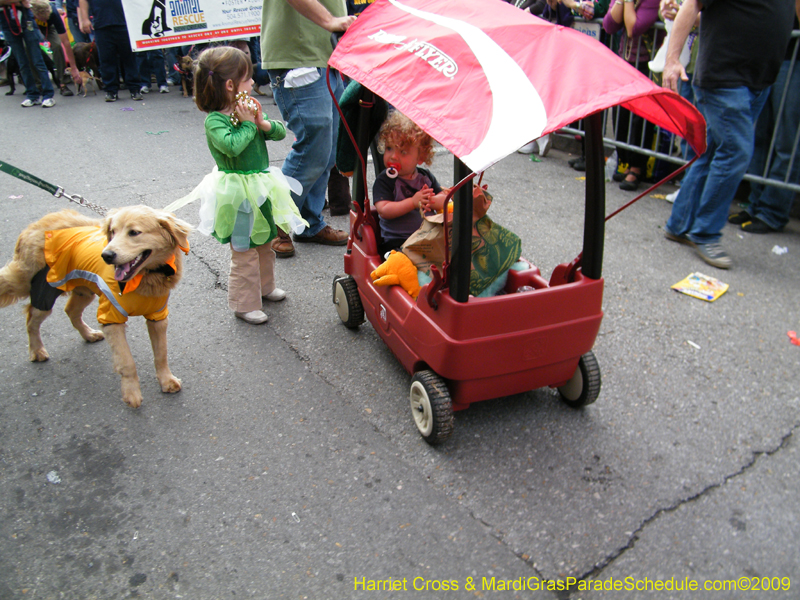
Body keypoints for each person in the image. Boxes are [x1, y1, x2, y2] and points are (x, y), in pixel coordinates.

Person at [662, 0, 798, 269]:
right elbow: (693, 5)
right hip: (724, 75)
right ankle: (705, 233)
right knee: (736, 151)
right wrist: (672, 60)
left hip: (758, 79)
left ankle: (678, 224)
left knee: (713, 151)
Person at [188, 46, 308, 325]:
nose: (253, 83)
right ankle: (244, 303)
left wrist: (262, 123)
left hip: (261, 186)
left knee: (265, 240)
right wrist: (246, 125)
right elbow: (232, 147)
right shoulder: (215, 120)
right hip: (237, 193)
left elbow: (277, 132)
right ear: (230, 85)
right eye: (247, 79)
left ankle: (265, 287)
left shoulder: (248, 108)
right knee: (243, 249)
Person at [260, 0, 355, 258]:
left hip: (326, 56)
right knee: (313, 148)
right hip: (298, 56)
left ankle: (308, 223)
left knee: (329, 150)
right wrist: (330, 21)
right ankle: (275, 224)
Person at [728, 16, 800, 234]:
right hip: (766, 55)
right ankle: (755, 202)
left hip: (793, 58)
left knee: (786, 138)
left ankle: (772, 210)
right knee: (758, 136)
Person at [372, 111, 449, 257]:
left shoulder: (425, 178)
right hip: (398, 242)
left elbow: (444, 199)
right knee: (400, 260)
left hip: (427, 238)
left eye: (403, 152)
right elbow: (384, 210)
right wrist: (413, 202)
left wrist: (429, 200)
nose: (393, 156)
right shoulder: (385, 180)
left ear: (421, 157)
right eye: (389, 148)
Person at [603, 0, 661, 191]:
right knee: (620, 115)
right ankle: (624, 161)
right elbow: (609, 25)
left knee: (640, 120)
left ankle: (637, 168)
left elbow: (633, 28)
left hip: (645, 66)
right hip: (625, 62)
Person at [78, 0, 143, 102]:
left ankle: (135, 89)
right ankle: (111, 90)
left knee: (129, 58)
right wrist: (85, 19)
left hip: (125, 22)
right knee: (106, 59)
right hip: (101, 23)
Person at [0, 0, 56, 107]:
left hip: (25, 18)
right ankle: (32, 94)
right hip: (6, 19)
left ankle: (48, 95)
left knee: (37, 60)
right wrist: (18, 2)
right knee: (22, 62)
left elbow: (26, 2)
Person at [30, 0, 80, 96]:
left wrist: (74, 68)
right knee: (28, 48)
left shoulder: (53, 13)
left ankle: (63, 83)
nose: (45, 20)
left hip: (50, 27)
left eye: (47, 18)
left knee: (57, 45)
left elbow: (66, 42)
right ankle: (38, 84)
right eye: (44, 18)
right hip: (32, 26)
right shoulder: (28, 12)